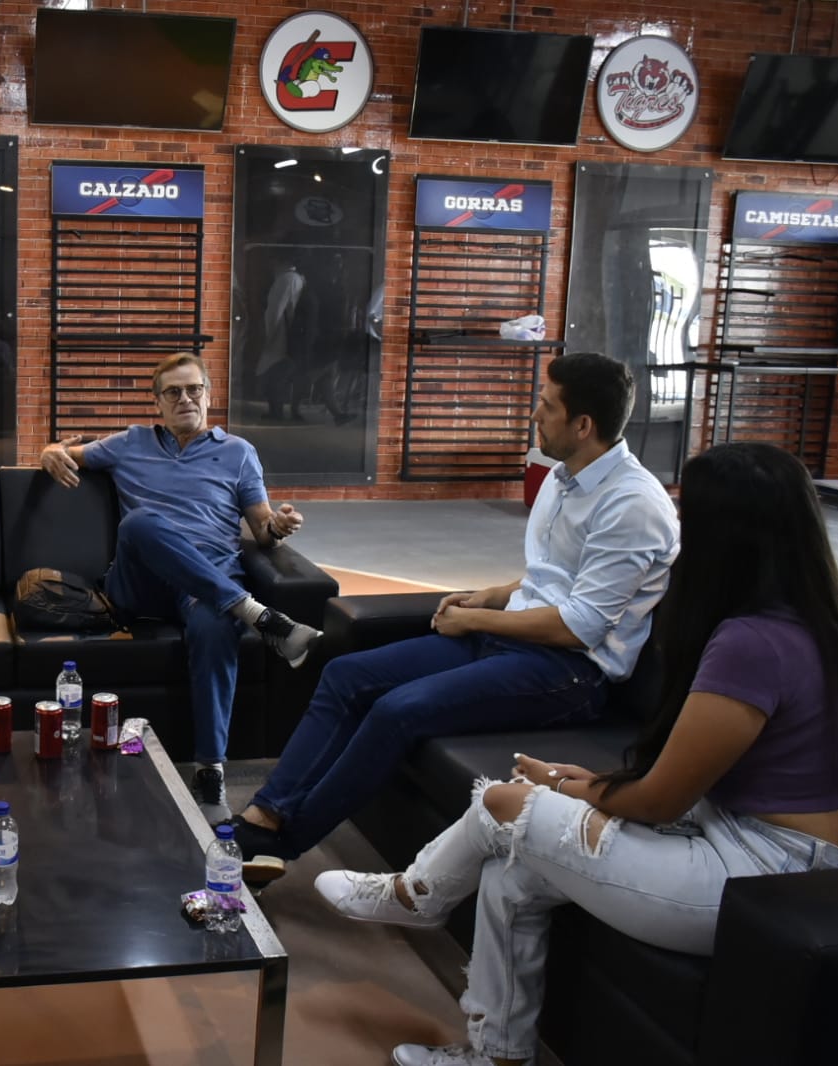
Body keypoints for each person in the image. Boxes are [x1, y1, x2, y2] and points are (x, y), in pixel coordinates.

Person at [316, 441, 838, 1066]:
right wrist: (587, 781)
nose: (681, 528)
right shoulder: (806, 622)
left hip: (765, 874)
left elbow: (661, 798)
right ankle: (496, 1054)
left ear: (728, 532)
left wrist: (568, 787)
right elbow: (691, 775)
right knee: (513, 872)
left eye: (692, 513)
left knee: (505, 804)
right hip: (750, 840)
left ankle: (418, 892)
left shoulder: (753, 642)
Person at [232, 353, 679, 875]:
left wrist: (475, 621)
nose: (535, 413)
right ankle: (268, 810)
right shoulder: (563, 477)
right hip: (513, 638)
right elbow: (554, 577)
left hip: (570, 672)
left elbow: (579, 627)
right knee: (346, 674)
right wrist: (490, 595)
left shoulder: (632, 505)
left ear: (583, 425)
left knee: (398, 710)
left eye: (546, 404)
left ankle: (272, 847)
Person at [40, 351, 323, 809]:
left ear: (209, 396)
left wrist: (278, 526)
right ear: (158, 402)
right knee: (140, 524)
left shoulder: (238, 453)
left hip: (208, 584)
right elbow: (62, 453)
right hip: (141, 585)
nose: (185, 399)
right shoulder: (130, 442)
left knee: (214, 628)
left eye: (194, 390)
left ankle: (210, 772)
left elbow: (262, 530)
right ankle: (258, 614)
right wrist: (49, 450)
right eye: (174, 392)